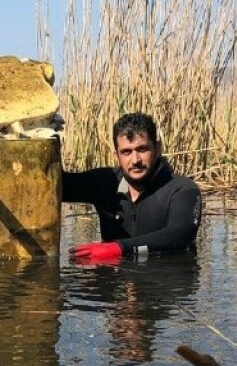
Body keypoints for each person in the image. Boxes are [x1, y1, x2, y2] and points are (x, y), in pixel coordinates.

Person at [62, 112, 201, 263]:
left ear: (157, 148)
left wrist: (118, 248)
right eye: (126, 152)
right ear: (117, 155)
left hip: (164, 281)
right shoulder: (106, 182)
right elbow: (55, 187)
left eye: (142, 149)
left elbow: (180, 235)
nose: (135, 160)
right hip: (114, 281)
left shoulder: (182, 189)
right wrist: (45, 135)